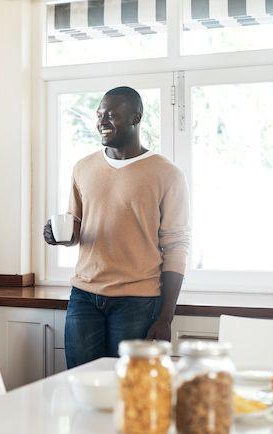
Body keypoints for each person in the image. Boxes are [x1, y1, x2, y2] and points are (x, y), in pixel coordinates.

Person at [44, 86, 190, 368]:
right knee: (80, 382)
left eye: (111, 115)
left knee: (128, 390)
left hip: (137, 301)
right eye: (99, 114)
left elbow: (176, 246)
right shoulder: (83, 168)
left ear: (136, 117)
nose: (102, 122)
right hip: (84, 297)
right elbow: (76, 225)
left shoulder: (167, 173)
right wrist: (58, 236)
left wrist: (165, 317)